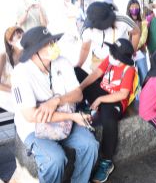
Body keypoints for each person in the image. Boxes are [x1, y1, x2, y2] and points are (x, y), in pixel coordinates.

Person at [12, 26, 98, 183]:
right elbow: (32, 115)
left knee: (90, 145)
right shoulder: (21, 73)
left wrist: (56, 100)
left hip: (65, 122)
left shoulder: (62, 62)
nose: (54, 45)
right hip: (35, 129)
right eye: (48, 43)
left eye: (53, 40)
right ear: (34, 51)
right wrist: (72, 116)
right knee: (55, 161)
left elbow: (78, 94)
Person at [79, 38, 135, 182]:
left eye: (114, 54)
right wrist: (80, 88)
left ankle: (107, 161)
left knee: (108, 117)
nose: (111, 55)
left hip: (115, 101)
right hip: (102, 94)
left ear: (122, 58)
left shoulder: (129, 69)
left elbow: (123, 94)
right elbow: (95, 74)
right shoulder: (110, 60)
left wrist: (100, 100)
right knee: (77, 72)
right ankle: (81, 106)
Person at [76, 1, 140, 71]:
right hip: (99, 61)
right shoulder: (86, 29)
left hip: (121, 62)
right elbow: (85, 48)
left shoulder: (122, 19)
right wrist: (78, 66)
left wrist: (131, 52)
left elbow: (136, 32)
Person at [0, 26, 24, 112]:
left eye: (23, 36)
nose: (22, 38)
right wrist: (14, 91)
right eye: (19, 37)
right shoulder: (3, 56)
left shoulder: (27, 55)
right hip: (5, 92)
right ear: (10, 42)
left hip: (20, 90)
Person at [126, 0, 148, 85]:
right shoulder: (126, 21)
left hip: (140, 52)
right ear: (128, 9)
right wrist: (129, 49)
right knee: (130, 75)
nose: (134, 9)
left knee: (144, 74)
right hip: (128, 53)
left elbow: (143, 38)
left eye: (136, 6)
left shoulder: (143, 22)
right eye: (132, 7)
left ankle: (144, 94)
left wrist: (135, 47)